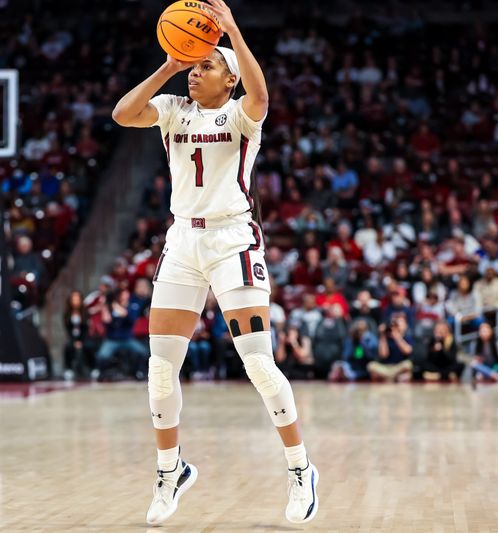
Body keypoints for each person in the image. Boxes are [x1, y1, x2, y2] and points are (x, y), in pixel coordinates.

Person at [112, 0, 317, 524]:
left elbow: (262, 93)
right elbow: (122, 114)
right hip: (182, 243)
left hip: (233, 242)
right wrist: (171, 63)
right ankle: (169, 471)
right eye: (196, 66)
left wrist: (233, 33)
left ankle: (300, 470)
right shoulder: (173, 108)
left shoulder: (242, 114)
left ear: (229, 81)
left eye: (207, 66)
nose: (197, 73)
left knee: (257, 362)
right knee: (160, 371)